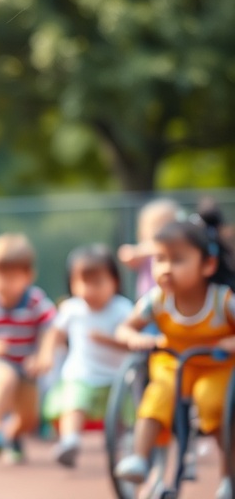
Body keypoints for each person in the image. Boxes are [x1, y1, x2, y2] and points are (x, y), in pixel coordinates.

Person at [113, 204, 235, 499]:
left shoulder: (222, 300)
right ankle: (140, 459)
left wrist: (229, 343)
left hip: (215, 368)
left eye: (177, 260)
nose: (165, 268)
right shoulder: (156, 300)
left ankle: (227, 477)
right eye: (159, 259)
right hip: (172, 365)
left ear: (207, 264)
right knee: (157, 397)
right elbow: (123, 329)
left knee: (212, 404)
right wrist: (136, 338)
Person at [34, 244, 132, 468]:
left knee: (121, 415)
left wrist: (109, 341)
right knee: (73, 404)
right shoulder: (72, 308)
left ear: (114, 282)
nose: (89, 290)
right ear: (72, 283)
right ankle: (70, 441)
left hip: (116, 376)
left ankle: (122, 444)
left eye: (97, 282)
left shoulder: (123, 309)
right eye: (82, 282)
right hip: (81, 373)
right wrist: (46, 355)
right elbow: (55, 333)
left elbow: (131, 343)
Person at [0, 233, 56, 464]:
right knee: (6, 377)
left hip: (26, 368)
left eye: (13, 277)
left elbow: (51, 327)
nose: (5, 284)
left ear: (28, 276)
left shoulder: (34, 300)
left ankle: (10, 436)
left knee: (29, 419)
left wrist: (43, 354)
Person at [118, 198, 182, 298]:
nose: (160, 230)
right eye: (155, 225)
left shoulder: (176, 248)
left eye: (165, 224)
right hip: (147, 297)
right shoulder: (144, 250)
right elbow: (126, 256)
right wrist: (153, 248)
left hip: (172, 296)